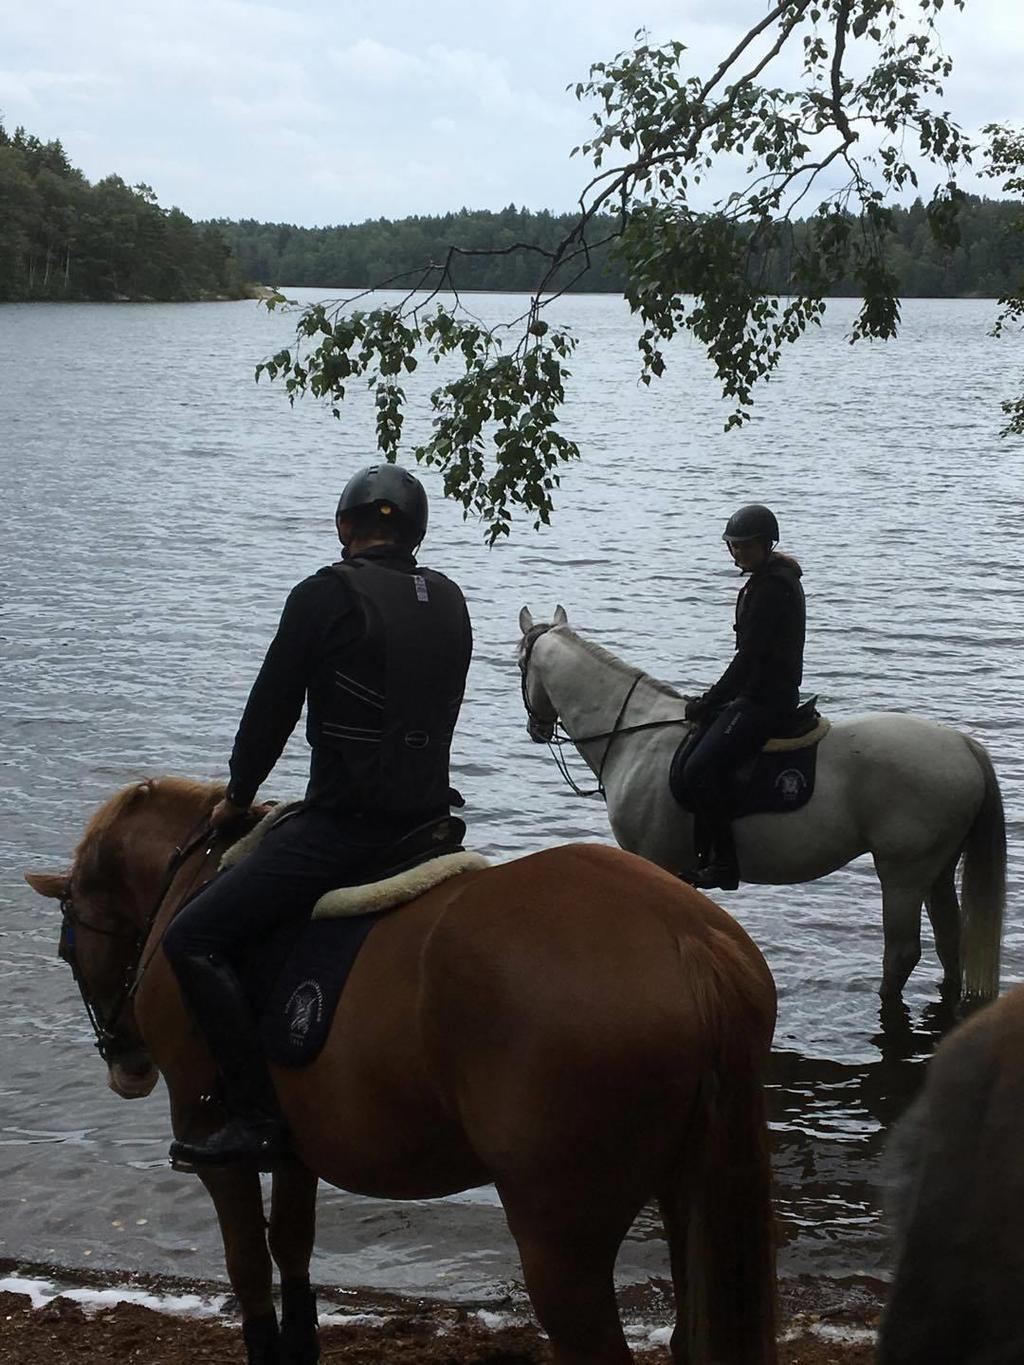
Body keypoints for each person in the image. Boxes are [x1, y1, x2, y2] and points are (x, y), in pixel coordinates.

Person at [163, 464, 472, 1169]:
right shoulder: (451, 599)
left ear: (344, 527)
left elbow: (271, 710)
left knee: (193, 936)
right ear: (416, 534)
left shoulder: (322, 596)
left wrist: (238, 796)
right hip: (428, 823)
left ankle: (257, 1117)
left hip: (347, 828)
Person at [679, 503, 805, 892]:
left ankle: (723, 864)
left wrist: (710, 699)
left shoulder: (770, 589)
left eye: (746, 547)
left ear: (766, 545)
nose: (738, 554)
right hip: (761, 691)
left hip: (764, 700)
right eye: (733, 546)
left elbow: (748, 659)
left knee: (697, 768)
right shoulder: (767, 579)